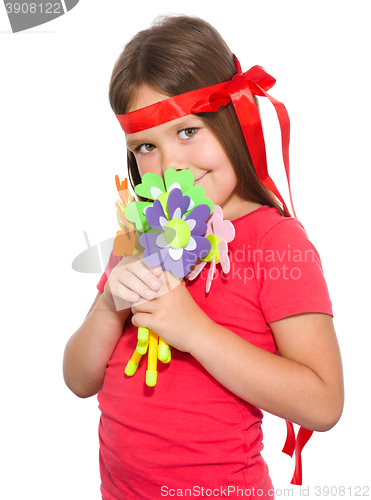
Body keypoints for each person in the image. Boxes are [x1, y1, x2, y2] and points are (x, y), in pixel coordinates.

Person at [63, 14, 344, 500]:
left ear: (233, 119)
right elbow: (78, 379)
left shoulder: (276, 243)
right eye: (146, 146)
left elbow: (323, 403)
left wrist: (196, 333)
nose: (170, 163)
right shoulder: (137, 234)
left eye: (188, 132)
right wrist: (111, 303)